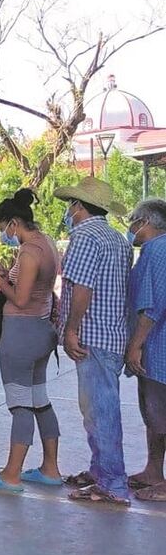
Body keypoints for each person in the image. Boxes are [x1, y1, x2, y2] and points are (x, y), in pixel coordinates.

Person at [0, 189, 63, 493]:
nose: (4, 234)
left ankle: (10, 474)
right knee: (39, 400)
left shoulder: (29, 251)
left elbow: (21, 299)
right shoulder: (46, 243)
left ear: (13, 223)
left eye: (2, 228)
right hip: (41, 331)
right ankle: (50, 467)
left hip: (21, 332)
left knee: (20, 404)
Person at [54, 178, 133, 506]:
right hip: (112, 334)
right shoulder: (118, 239)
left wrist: (71, 329)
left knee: (99, 411)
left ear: (80, 206)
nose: (69, 210)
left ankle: (112, 482)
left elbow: (81, 287)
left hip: (93, 336)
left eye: (72, 204)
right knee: (101, 409)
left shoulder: (84, 236)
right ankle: (102, 472)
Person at [124, 198, 166, 503]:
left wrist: (135, 346)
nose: (132, 226)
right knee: (153, 415)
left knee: (159, 413)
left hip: (157, 348)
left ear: (147, 223)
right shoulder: (153, 251)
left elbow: (152, 307)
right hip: (155, 347)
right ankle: (153, 470)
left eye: (134, 220)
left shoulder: (156, 251)